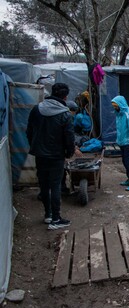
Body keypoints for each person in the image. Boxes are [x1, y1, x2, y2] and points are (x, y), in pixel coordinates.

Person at [27, 83, 75, 230]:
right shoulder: (65, 114)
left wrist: (35, 146)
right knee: (55, 186)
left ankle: (47, 215)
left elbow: (29, 130)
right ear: (65, 97)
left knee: (44, 185)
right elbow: (69, 137)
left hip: (40, 154)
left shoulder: (37, 109)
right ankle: (56, 219)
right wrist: (69, 152)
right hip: (56, 156)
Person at [112, 95, 129, 191]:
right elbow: (120, 129)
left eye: (116, 105)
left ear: (120, 104)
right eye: (114, 106)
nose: (115, 107)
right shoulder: (119, 114)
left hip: (127, 143)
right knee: (125, 161)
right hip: (122, 142)